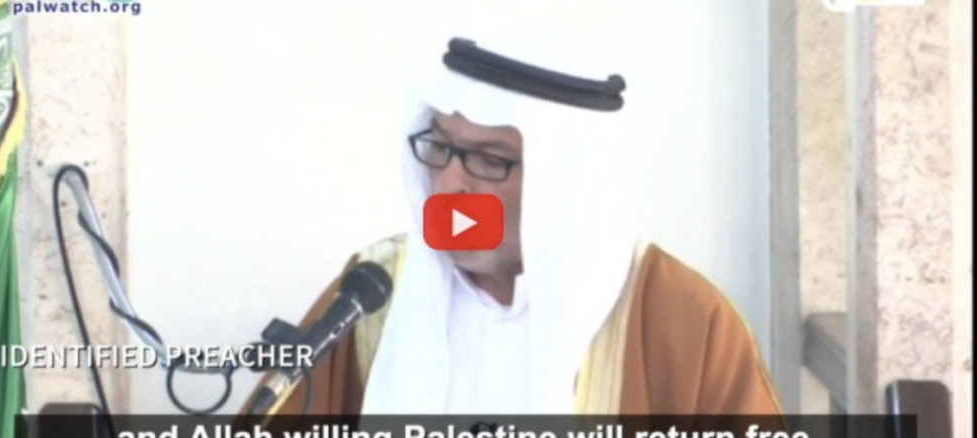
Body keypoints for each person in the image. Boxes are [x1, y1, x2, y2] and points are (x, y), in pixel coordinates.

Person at [241, 31, 782, 416]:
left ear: (567, 184)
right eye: (440, 148)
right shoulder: (371, 295)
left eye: (490, 160)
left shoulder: (682, 320)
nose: (450, 183)